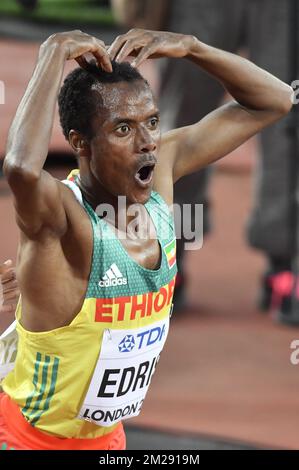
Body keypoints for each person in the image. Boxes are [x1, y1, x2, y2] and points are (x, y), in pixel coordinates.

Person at [0, 28, 292, 450]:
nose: (147, 144)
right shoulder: (62, 222)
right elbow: (22, 171)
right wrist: (52, 53)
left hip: (108, 441)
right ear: (80, 143)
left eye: (152, 123)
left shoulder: (160, 179)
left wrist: (193, 48)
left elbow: (275, 100)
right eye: (122, 130)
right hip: (29, 441)